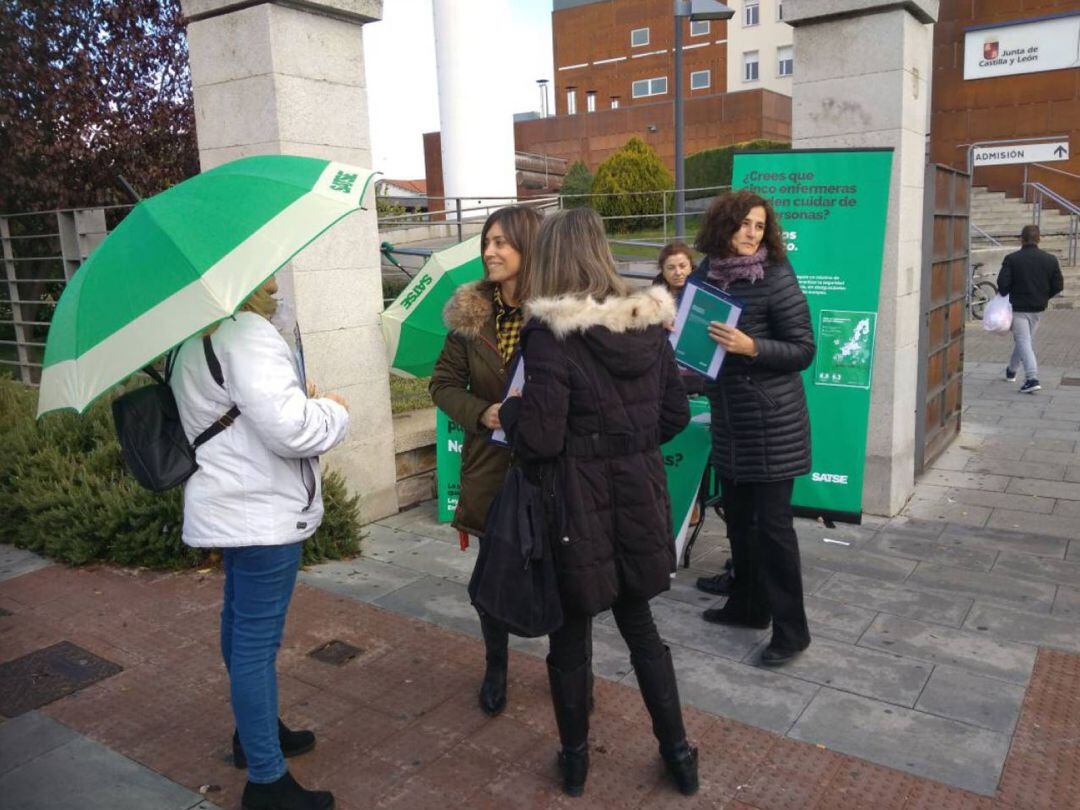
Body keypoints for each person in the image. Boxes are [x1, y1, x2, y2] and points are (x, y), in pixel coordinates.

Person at [500, 208, 698, 798]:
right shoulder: (647, 324)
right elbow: (675, 414)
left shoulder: (548, 333)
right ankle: (680, 756)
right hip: (639, 493)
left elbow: (538, 439)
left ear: (553, 259)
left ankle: (576, 761)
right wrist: (627, 444)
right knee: (641, 626)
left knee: (571, 633)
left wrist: (508, 412)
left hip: (575, 505)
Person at [171, 275, 350, 810]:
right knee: (255, 644)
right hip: (261, 513)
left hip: (234, 506)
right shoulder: (245, 333)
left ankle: (255, 735)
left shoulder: (194, 336)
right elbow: (293, 431)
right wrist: (335, 409)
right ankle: (267, 782)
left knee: (239, 625)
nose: (276, 278)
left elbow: (245, 416)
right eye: (268, 265)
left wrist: (298, 398)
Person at [689, 189, 815, 667]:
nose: (750, 233)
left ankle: (791, 631)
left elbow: (803, 349)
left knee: (772, 530)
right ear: (724, 224)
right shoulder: (706, 274)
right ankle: (747, 607)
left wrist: (751, 347)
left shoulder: (776, 275)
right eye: (744, 223)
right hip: (730, 420)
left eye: (759, 226)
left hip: (772, 422)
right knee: (739, 522)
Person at [429, 205, 543, 717]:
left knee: (559, 572)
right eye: (487, 242)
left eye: (502, 242)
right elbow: (442, 385)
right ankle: (496, 664)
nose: (491, 251)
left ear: (529, 246)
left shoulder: (558, 311)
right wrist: (484, 413)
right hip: (493, 467)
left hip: (549, 467)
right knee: (492, 577)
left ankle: (571, 668)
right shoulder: (471, 316)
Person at [998, 224, 1064, 394]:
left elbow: (1003, 285)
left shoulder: (1012, 259)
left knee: (1023, 341)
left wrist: (1009, 291)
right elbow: (1058, 285)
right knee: (1024, 340)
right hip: (1038, 308)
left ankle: (1032, 378)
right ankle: (1011, 370)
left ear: (1022, 239)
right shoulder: (1050, 259)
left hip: (1019, 307)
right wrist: (1044, 296)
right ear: (1039, 239)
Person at [654, 241, 705, 397]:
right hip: (666, 374)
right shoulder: (652, 299)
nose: (678, 272)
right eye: (671, 268)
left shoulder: (704, 294)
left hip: (698, 375)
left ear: (691, 266)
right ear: (662, 271)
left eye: (682, 266)